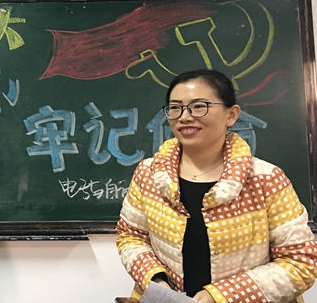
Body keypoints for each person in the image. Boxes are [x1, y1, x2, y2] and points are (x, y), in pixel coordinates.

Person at [116, 69, 317, 302]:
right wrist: (157, 281)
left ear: (231, 114)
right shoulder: (149, 174)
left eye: (198, 106)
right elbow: (131, 237)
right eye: (175, 107)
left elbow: (301, 262)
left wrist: (221, 295)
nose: (184, 117)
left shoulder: (266, 179)